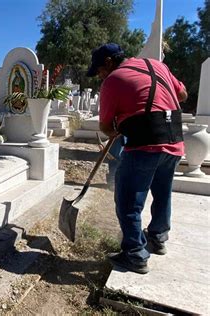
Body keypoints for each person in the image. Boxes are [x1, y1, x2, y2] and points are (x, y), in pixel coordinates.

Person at [87, 43, 187, 274]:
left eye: (99, 69)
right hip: (175, 141)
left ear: (109, 63)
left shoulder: (112, 80)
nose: (100, 75)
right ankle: (158, 238)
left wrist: (121, 128)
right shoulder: (156, 64)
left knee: (128, 200)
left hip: (146, 143)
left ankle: (135, 255)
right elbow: (182, 94)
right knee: (162, 191)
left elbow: (105, 127)